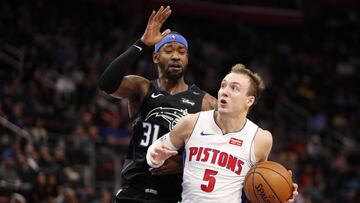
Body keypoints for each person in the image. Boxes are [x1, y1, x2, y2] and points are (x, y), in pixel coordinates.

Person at [98, 6, 217, 203]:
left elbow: (217, 149)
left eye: (181, 51)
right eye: (168, 50)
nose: (176, 56)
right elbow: (106, 83)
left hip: (174, 195)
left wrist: (184, 162)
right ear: (155, 57)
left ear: (187, 59)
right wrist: (142, 43)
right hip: (133, 192)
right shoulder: (141, 88)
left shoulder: (206, 101)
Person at [147, 64, 299, 202]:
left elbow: (258, 188)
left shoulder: (261, 138)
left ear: (249, 101)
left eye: (234, 88)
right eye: (223, 85)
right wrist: (155, 157)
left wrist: (282, 194)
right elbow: (153, 154)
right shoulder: (191, 122)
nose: (225, 92)